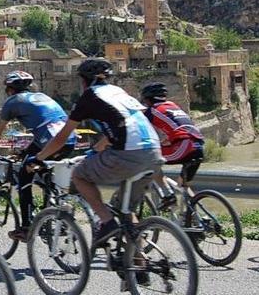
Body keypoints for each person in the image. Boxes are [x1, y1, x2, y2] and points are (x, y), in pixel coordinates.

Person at [27, 58, 163, 248]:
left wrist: (38, 157)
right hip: (154, 153)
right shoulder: (118, 92)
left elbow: (62, 137)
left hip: (128, 155)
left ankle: (107, 223)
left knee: (80, 176)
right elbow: (121, 127)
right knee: (126, 212)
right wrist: (95, 150)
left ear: (85, 81)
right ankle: (139, 265)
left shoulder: (89, 96)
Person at [0, 70, 78, 242]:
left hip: (50, 141)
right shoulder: (40, 96)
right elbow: (44, 127)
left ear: (10, 89)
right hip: (69, 139)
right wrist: (24, 152)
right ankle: (55, 204)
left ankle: (26, 227)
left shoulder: (13, 102)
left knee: (24, 174)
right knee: (38, 165)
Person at [140, 82, 205, 210]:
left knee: (152, 159)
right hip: (198, 146)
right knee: (183, 186)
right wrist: (163, 143)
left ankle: (168, 196)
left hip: (185, 145)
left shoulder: (152, 111)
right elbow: (178, 129)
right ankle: (198, 219)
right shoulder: (172, 106)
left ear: (148, 99)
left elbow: (137, 128)